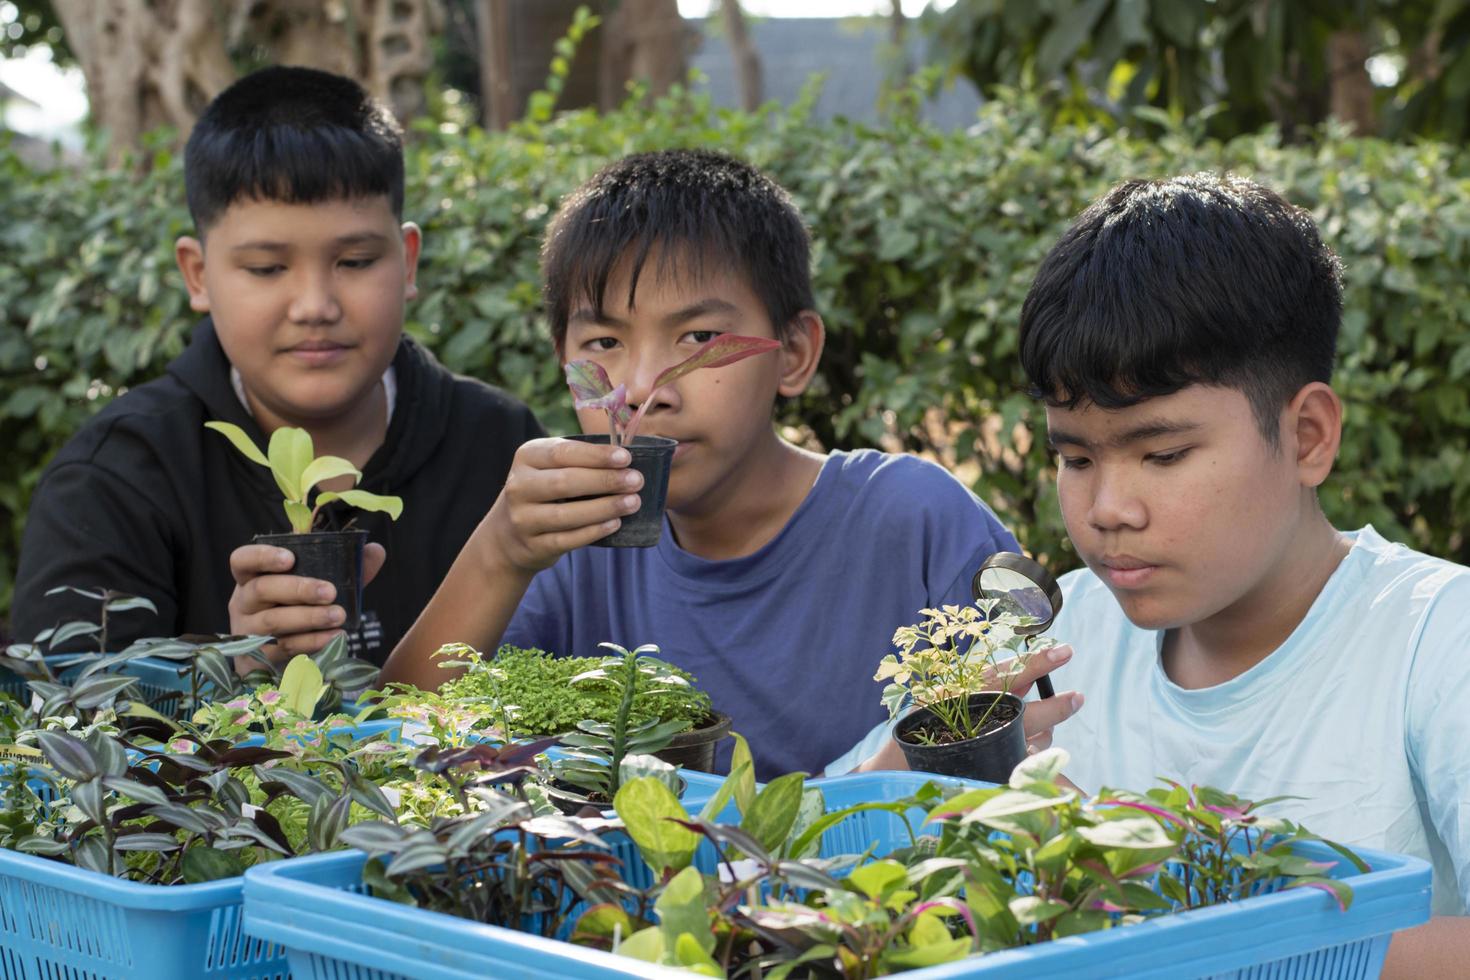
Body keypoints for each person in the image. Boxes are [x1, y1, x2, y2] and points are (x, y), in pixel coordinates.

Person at [380, 149, 1081, 780]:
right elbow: (394, 745)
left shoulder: (914, 521)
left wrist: (890, 779)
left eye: (700, 336)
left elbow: (1044, 752)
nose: (649, 387)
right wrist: (498, 553)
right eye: (604, 341)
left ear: (796, 353)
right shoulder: (572, 547)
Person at [1013, 172, 1467, 973]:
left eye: (1163, 454)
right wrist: (935, 763)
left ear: (1308, 437)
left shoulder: (1436, 641)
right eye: (1075, 457)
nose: (1108, 507)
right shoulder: (1059, 639)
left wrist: (1237, 955)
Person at [14, 66, 542, 664]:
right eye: (267, 268)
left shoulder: (501, 448)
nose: (315, 306)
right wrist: (230, 665)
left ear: (408, 261)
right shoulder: (114, 477)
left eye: (356, 260)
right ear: (197, 274)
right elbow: (49, 721)